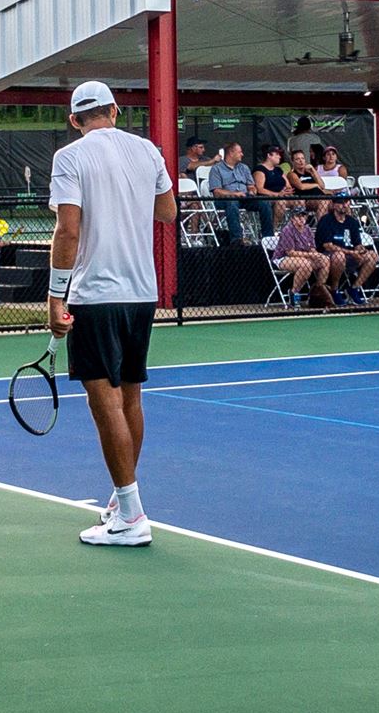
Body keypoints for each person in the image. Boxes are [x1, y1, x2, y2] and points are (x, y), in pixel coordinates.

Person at [47, 79, 177, 547]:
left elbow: (67, 230)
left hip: (95, 295)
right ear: (115, 111)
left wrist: (54, 297)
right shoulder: (148, 151)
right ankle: (123, 506)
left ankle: (131, 515)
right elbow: (168, 211)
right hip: (142, 294)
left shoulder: (70, 157)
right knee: (131, 398)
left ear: (75, 121)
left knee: (104, 402)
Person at [314, 192, 379, 306]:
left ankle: (354, 289)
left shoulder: (352, 222)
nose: (344, 205)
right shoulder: (326, 220)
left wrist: (360, 250)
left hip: (350, 255)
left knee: (372, 255)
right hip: (330, 256)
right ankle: (334, 290)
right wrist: (351, 252)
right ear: (334, 205)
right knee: (339, 255)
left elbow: (357, 243)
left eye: (346, 202)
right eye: (340, 203)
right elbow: (327, 245)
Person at [270, 200, 330, 307]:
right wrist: (311, 255)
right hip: (283, 258)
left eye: (303, 216)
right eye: (298, 216)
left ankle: (317, 292)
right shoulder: (287, 230)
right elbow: (290, 252)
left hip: (304, 257)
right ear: (293, 218)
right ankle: (294, 293)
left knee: (325, 260)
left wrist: (317, 254)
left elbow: (311, 248)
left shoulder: (307, 229)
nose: (301, 219)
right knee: (305, 265)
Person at [204, 141, 257, 241]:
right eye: (240, 152)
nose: (242, 154)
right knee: (232, 202)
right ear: (231, 153)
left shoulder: (244, 168)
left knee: (264, 203)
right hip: (225, 201)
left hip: (244, 198)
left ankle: (267, 237)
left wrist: (251, 191)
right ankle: (237, 239)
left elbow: (251, 186)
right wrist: (234, 194)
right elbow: (217, 191)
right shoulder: (216, 169)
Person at [248, 144, 290, 240]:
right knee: (281, 203)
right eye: (277, 154)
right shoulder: (260, 170)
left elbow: (288, 185)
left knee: (300, 202)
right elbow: (259, 189)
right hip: (268, 198)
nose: (279, 156)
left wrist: (286, 190)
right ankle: (272, 230)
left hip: (284, 195)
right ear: (269, 155)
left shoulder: (279, 170)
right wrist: (277, 194)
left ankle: (295, 231)